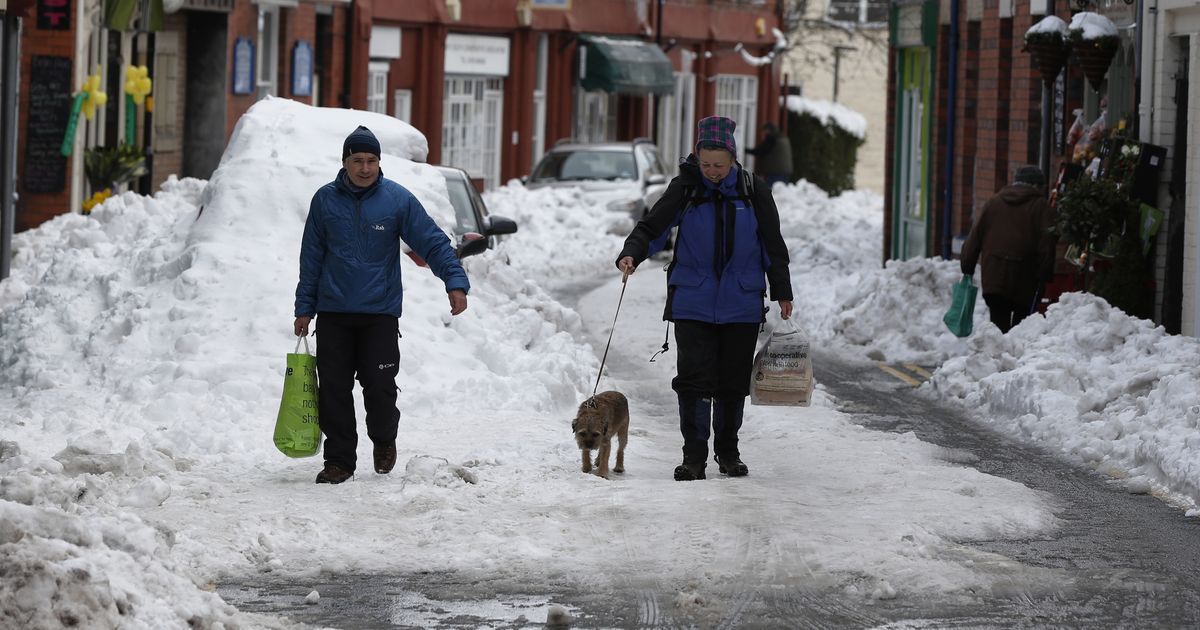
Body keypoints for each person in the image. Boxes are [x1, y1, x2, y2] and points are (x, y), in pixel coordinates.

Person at [616, 115, 794, 481]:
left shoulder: (753, 190)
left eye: (719, 164)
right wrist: (632, 252)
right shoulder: (686, 187)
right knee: (693, 381)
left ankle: (728, 453)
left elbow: (772, 244)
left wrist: (782, 290)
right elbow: (653, 227)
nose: (712, 171)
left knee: (731, 383)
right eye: (706, 163)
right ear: (697, 156)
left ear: (732, 159)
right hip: (693, 301)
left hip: (742, 302)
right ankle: (693, 457)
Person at [293, 125, 470, 485]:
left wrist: (455, 282)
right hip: (334, 312)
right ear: (344, 162)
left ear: (379, 162)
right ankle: (340, 460)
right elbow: (311, 258)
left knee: (380, 385)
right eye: (357, 160)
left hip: (380, 312)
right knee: (334, 389)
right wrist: (304, 307)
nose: (365, 168)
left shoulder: (396, 200)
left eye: (371, 160)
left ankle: (384, 438)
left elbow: (433, 243)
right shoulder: (325, 201)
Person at [960, 165, 1057, 334]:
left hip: (994, 279)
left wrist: (967, 265)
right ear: (1038, 186)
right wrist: (1044, 275)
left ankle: (998, 358)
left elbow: (974, 237)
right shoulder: (1041, 207)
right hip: (1025, 281)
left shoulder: (993, 203)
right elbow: (1047, 243)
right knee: (1020, 331)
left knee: (998, 327)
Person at [745, 121, 793, 186]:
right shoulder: (783, 137)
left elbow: (760, 151)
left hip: (775, 173)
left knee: (771, 193)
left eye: (764, 131)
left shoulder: (772, 138)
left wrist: (744, 150)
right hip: (785, 172)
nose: (763, 134)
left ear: (768, 130)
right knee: (781, 192)